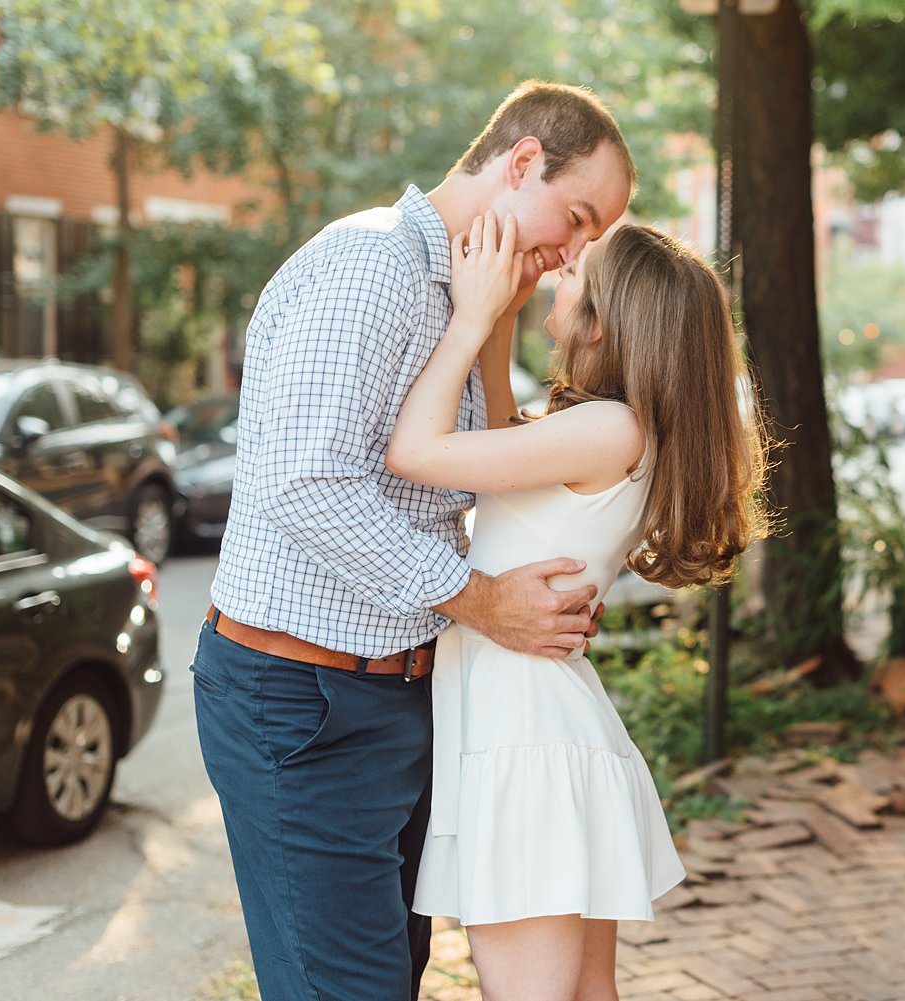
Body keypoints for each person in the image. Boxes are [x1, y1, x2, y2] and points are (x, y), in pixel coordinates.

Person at [190, 82, 634, 1001]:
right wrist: (482, 602)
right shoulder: (372, 270)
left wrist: (494, 322)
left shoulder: (466, 293)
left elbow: (468, 476)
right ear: (520, 163)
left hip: (396, 698)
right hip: (300, 697)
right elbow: (308, 482)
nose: (575, 252)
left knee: (386, 980)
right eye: (577, 215)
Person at [385, 213, 768, 1001]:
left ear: (600, 325)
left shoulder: (609, 427)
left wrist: (470, 319)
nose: (556, 270)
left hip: (524, 739)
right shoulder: (612, 429)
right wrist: (499, 327)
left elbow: (416, 454)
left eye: (572, 275)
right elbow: (493, 451)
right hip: (542, 728)